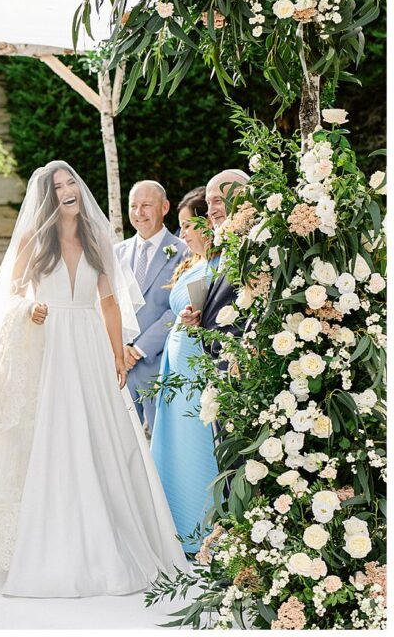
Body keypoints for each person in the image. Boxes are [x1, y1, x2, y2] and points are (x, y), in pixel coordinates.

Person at [0, 161, 187, 597]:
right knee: (46, 435)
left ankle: (103, 537)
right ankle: (32, 538)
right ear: (47, 196)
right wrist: (30, 309)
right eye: (58, 186)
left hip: (89, 346)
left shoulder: (98, 237)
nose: (67, 190)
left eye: (71, 183)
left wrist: (118, 352)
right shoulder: (32, 240)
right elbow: (11, 295)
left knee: (99, 436)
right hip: (47, 345)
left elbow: (111, 303)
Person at [149, 187, 219, 553]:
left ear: (208, 224)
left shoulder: (222, 267)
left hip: (197, 376)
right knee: (170, 448)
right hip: (175, 372)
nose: (184, 234)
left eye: (189, 226)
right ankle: (172, 532)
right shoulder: (192, 265)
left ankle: (198, 536)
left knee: (196, 451)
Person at [114, 181, 188, 434]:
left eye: (146, 205)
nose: (138, 213)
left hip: (161, 364)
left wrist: (140, 348)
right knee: (121, 445)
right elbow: (108, 303)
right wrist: (121, 348)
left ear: (165, 207)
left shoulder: (184, 251)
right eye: (133, 206)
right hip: (120, 366)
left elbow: (178, 307)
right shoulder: (116, 253)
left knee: (160, 446)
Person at [178, 170, 250, 357]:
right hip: (220, 361)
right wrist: (198, 317)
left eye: (217, 201)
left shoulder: (256, 244)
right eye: (209, 203)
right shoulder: (228, 243)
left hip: (242, 361)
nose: (211, 211)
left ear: (242, 197)